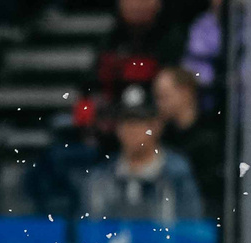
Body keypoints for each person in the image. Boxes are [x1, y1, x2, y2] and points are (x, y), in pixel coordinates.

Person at [80, 82, 202, 224]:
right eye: (125, 122)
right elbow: (89, 235)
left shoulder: (177, 173)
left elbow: (192, 230)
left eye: (139, 122)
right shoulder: (100, 178)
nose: (132, 130)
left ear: (156, 126)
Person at [153, 66, 222, 222]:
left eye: (164, 97)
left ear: (185, 93)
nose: (159, 104)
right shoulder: (162, 136)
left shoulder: (212, 137)